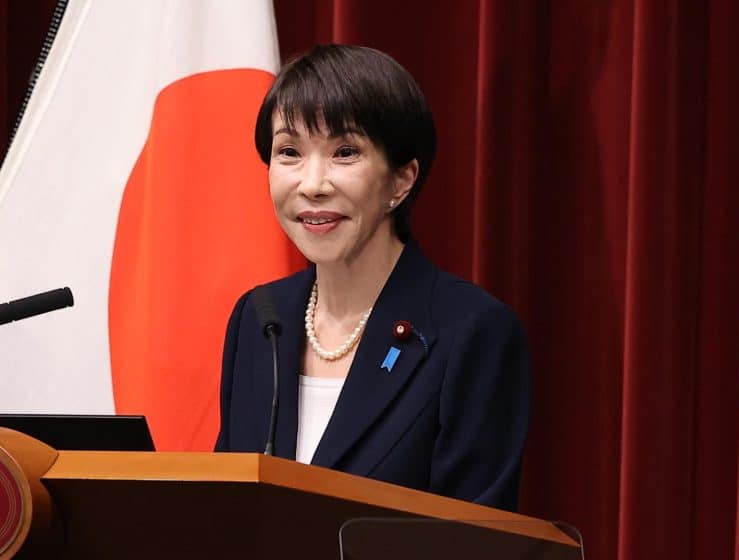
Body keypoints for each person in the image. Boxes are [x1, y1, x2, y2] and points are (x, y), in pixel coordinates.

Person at [215, 45, 530, 511]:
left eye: (345, 152)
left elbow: (475, 542)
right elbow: (226, 509)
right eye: (289, 152)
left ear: (401, 180)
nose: (312, 184)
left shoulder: (472, 332)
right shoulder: (260, 319)